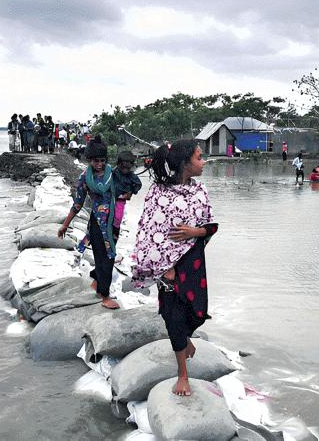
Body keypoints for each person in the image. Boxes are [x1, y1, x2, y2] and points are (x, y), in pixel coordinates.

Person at [133, 140, 218, 397]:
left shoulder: (200, 191)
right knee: (173, 317)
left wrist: (195, 231)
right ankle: (183, 374)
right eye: (199, 158)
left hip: (192, 263)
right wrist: (163, 267)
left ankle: (186, 339)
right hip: (165, 267)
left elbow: (211, 226)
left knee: (197, 312)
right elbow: (148, 232)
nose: (203, 162)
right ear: (184, 163)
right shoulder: (158, 193)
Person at [57, 136, 120, 309]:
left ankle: (97, 280)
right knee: (104, 258)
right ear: (89, 160)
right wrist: (65, 225)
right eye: (95, 161)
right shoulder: (85, 177)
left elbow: (126, 189)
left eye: (102, 160)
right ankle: (104, 295)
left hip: (113, 222)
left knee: (110, 256)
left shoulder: (113, 174)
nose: (99, 164)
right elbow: (77, 203)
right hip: (97, 223)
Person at [111, 150, 142, 241]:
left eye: (128, 168)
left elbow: (138, 185)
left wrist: (131, 192)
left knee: (118, 218)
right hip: (109, 198)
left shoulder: (132, 176)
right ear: (119, 164)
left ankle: (115, 233)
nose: (125, 170)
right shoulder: (113, 172)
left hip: (121, 200)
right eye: (123, 167)